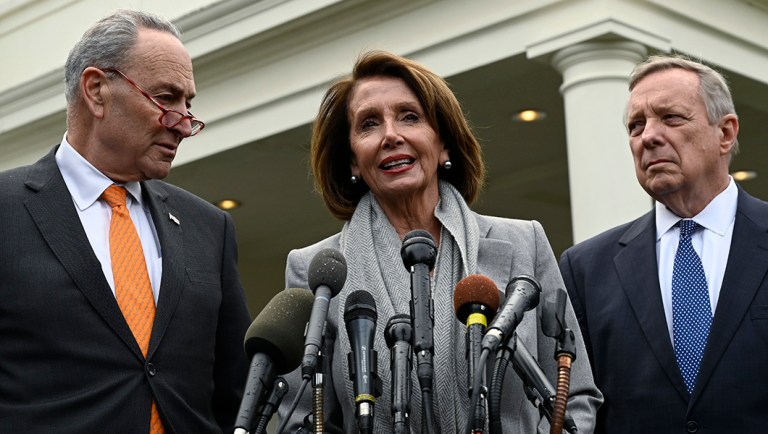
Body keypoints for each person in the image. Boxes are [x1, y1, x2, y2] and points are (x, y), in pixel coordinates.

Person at [277, 50, 602, 433]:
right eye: (369, 124)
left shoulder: (524, 242)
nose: (391, 135)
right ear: (351, 161)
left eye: (410, 117)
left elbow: (576, 395)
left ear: (444, 143)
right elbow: (303, 421)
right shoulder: (315, 269)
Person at [0, 10, 252, 433]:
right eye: (166, 98)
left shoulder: (209, 228)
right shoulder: (5, 210)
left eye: (188, 104)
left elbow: (237, 391)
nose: (184, 124)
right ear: (97, 90)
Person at [559, 54, 768, 433]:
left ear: (725, 133)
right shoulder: (585, 269)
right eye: (635, 126)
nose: (648, 136)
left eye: (670, 117)